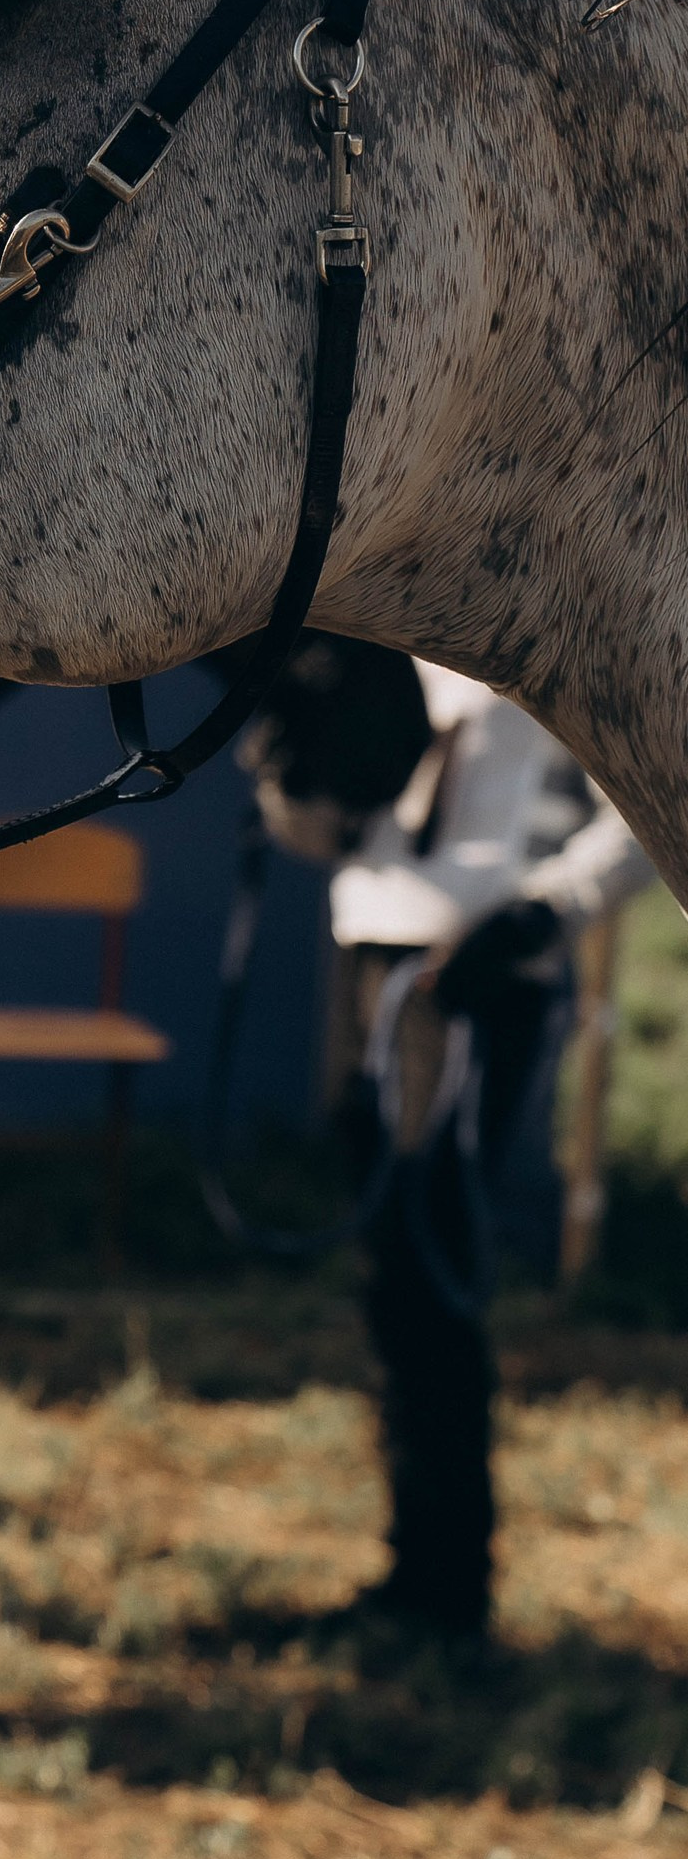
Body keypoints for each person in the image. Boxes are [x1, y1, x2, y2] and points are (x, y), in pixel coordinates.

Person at [247, 650, 648, 1639]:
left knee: (431, 1256)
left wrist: (545, 911)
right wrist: (286, 770)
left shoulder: (560, 618)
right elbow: (330, 824)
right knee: (389, 1264)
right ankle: (415, 1564)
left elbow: (644, 803)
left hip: (478, 971)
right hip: (370, 943)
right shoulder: (391, 639)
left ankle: (447, 1578)